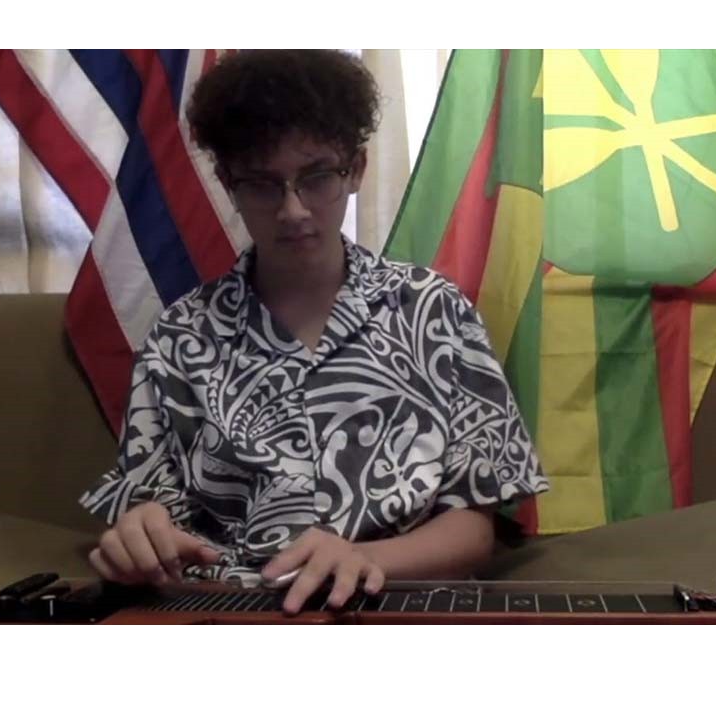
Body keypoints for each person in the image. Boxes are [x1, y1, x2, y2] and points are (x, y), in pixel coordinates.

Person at [79, 49, 548, 615]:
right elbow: (150, 508)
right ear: (228, 184)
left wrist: (364, 558)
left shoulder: (434, 312)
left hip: (401, 605)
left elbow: (474, 527)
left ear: (356, 169)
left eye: (317, 177)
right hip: (234, 612)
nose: (293, 210)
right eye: (262, 185)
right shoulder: (180, 337)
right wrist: (141, 535)